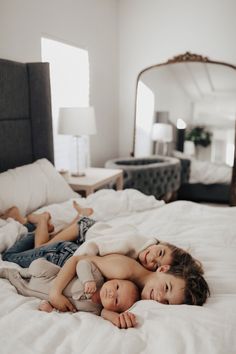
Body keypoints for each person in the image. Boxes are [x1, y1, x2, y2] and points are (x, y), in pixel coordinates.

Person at [2, 205, 202, 275]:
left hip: (91, 231)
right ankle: (42, 218)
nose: (151, 259)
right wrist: (74, 264)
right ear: (162, 244)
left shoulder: (145, 245)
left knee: (52, 240)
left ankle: (23, 219)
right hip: (86, 231)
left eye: (155, 265)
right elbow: (92, 246)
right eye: (159, 253)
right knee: (43, 246)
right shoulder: (132, 243)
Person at [0, 257, 139, 329]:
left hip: (40, 293)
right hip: (50, 277)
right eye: (116, 287)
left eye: (115, 301)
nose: (112, 293)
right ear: (113, 279)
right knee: (37, 267)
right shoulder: (97, 279)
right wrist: (87, 280)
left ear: (114, 309)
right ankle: (22, 271)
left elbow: (72, 312)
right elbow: (82, 263)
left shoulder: (95, 311)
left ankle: (8, 273)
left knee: (22, 288)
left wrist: (52, 310)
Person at [48, 253, 210, 313]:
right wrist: (55, 293)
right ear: (162, 270)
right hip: (61, 256)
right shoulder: (123, 271)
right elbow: (78, 259)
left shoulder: (139, 295)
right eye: (167, 287)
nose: (160, 297)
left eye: (166, 302)